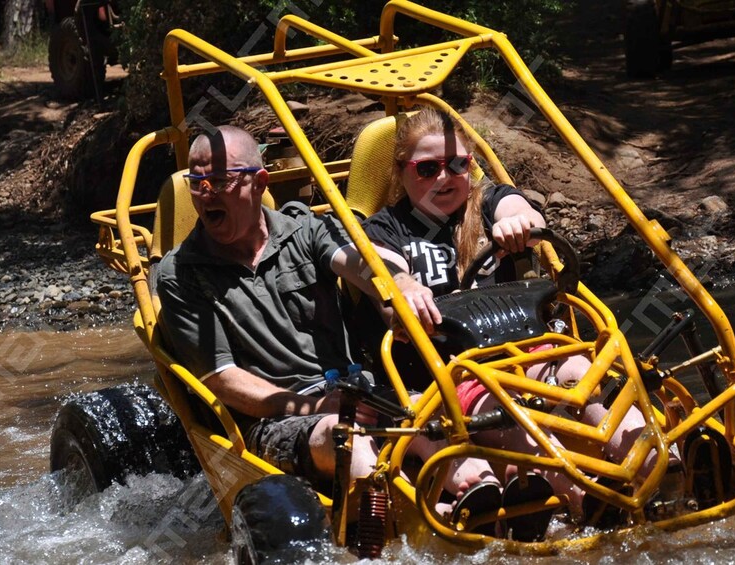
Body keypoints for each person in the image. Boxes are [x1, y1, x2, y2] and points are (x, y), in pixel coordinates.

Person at [152, 125, 497, 510]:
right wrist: (315, 407)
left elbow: (357, 263)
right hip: (276, 418)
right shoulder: (180, 274)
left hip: (356, 389)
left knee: (427, 414)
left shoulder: (305, 230)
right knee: (343, 435)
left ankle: (491, 497)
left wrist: (397, 282)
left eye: (220, 181)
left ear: (259, 182)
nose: (206, 194)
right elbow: (222, 379)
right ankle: (416, 517)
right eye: (197, 183)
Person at [360, 109, 676, 529]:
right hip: (457, 372)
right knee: (508, 407)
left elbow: (520, 209)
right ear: (401, 172)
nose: (445, 177)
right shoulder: (387, 228)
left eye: (458, 165)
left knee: (582, 372)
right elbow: (382, 266)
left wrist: (518, 221)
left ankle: (658, 464)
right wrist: (403, 283)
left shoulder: (487, 202)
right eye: (428, 168)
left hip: (530, 349)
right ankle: (583, 498)